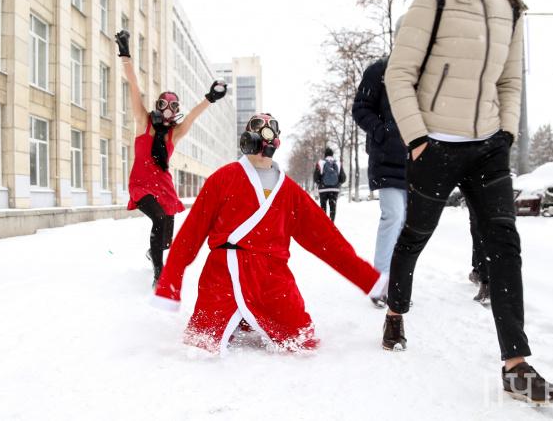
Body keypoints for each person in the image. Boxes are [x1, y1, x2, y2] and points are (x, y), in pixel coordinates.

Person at [381, 0, 553, 404]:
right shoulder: (433, 2)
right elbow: (398, 74)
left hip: (488, 149)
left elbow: (510, 79)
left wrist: (505, 134)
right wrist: (419, 139)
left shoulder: (510, 10)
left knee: (505, 243)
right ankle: (396, 311)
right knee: (415, 236)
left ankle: (516, 364)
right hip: (436, 147)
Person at [151, 113, 385, 354]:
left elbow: (327, 240)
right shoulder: (223, 178)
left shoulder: (290, 192)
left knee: (301, 339)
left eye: (267, 129)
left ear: (276, 140)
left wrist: (368, 279)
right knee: (202, 342)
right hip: (224, 273)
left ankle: (247, 316)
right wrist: (170, 284)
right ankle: (238, 315)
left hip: (272, 278)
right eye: (255, 127)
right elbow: (191, 233)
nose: (261, 135)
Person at [116, 30, 227, 288]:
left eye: (174, 107)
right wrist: (125, 54)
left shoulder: (173, 135)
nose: (169, 111)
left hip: (164, 189)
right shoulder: (143, 122)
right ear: (157, 106)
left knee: (166, 240)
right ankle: (159, 273)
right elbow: (134, 87)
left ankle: (155, 253)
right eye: (164, 105)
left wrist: (210, 98)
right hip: (141, 187)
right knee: (158, 219)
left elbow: (193, 117)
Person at [352, 56, 408, 308]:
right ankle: (380, 282)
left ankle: (399, 283)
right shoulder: (380, 70)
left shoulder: (423, 69)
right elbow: (360, 108)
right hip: (386, 158)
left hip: (417, 160)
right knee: (393, 216)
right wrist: (383, 132)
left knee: (409, 225)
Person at [313, 148, 346, 221]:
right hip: (334, 189)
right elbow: (343, 178)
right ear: (332, 154)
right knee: (333, 207)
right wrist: (337, 183)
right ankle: (332, 224)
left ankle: (324, 225)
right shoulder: (338, 163)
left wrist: (320, 183)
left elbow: (316, 177)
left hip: (323, 189)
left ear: (325, 155)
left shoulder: (321, 163)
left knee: (323, 207)